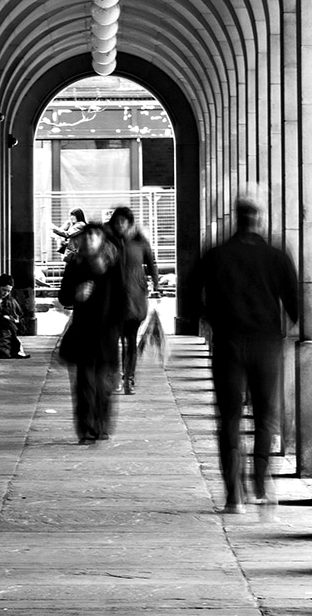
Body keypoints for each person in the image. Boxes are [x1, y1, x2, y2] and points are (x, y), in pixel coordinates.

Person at [181, 185, 299, 517]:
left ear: (236, 218)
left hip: (228, 343)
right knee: (265, 416)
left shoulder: (215, 255)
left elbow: (191, 298)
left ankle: (234, 495)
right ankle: (260, 485)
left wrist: (212, 319)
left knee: (229, 417)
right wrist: (281, 333)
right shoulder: (276, 256)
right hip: (265, 343)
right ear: (258, 220)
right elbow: (294, 305)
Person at [56, 223, 129, 444]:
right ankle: (87, 428)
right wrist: (76, 294)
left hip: (106, 335)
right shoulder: (75, 265)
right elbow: (63, 297)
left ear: (102, 240)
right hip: (83, 333)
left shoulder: (114, 267)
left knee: (103, 385)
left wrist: (119, 328)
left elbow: (123, 301)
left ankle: (101, 425)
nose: (89, 240)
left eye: (95, 236)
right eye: (87, 236)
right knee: (84, 384)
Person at [107, 205, 161, 395]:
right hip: (113, 299)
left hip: (135, 298)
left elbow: (151, 264)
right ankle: (117, 376)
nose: (120, 225)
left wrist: (156, 284)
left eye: (124, 221)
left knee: (130, 340)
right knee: (114, 341)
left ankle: (128, 377)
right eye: (117, 222)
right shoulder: (108, 241)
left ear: (130, 223)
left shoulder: (140, 242)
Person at [0, 272, 29, 359]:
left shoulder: (9, 301)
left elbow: (18, 314)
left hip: (5, 324)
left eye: (8, 291)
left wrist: (11, 318)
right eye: (4, 290)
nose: (5, 293)